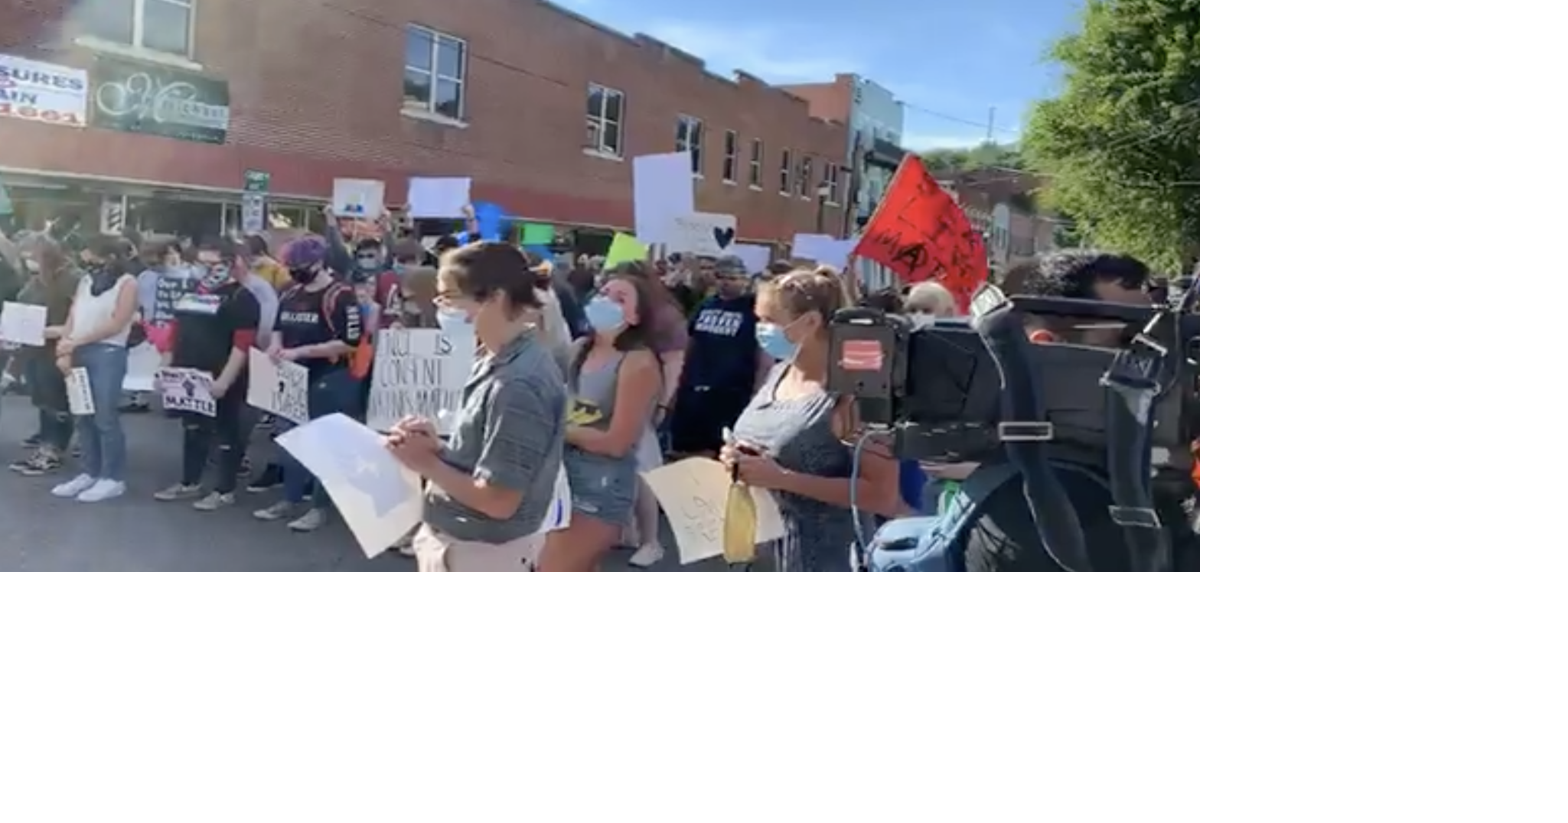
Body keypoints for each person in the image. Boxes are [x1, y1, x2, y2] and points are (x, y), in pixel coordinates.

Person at [956, 250, 1176, 572]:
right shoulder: (1049, 515)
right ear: (1049, 349)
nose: (1162, 359)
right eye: (1135, 339)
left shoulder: (1105, 475)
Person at [386, 242, 568, 573]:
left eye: (450, 297)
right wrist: (438, 449)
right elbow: (489, 458)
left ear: (495, 298)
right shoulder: (495, 358)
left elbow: (499, 500)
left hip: (484, 555)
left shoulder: (518, 382)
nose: (442, 308)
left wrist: (425, 462)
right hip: (465, 545)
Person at [720, 269, 902, 572]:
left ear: (811, 322)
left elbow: (882, 495)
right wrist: (738, 457)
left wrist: (782, 478)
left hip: (827, 558)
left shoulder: (859, 390)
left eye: (770, 320)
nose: (761, 329)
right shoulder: (779, 371)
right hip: (761, 554)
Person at [539, 272, 664, 572]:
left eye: (620, 299)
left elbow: (617, 442)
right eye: (604, 292)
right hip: (562, 476)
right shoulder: (580, 348)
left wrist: (560, 430)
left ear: (636, 317)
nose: (606, 301)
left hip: (600, 485)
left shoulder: (638, 362)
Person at [252, 235, 363, 533]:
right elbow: (278, 327)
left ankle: (319, 507)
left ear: (319, 263)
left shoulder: (341, 295)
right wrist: (275, 346)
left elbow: (350, 342)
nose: (295, 272)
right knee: (291, 441)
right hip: (291, 376)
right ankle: (289, 499)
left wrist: (301, 352)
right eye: (291, 267)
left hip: (328, 377)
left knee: (324, 446)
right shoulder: (290, 292)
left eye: (301, 267)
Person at [152, 238, 262, 511]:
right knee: (193, 429)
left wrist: (225, 380)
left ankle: (224, 490)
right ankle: (190, 482)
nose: (205, 269)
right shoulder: (190, 293)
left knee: (227, 433)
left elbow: (242, 345)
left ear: (229, 264)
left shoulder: (242, 298)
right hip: (189, 373)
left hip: (223, 374)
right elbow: (175, 333)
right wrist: (164, 368)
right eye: (201, 263)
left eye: (212, 264)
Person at [50, 235, 139, 503]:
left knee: (105, 416)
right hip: (79, 350)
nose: (87, 260)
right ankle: (89, 471)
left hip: (108, 352)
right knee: (83, 414)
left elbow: (117, 322)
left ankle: (112, 477)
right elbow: (73, 316)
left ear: (109, 256)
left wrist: (77, 341)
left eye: (92, 254)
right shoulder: (86, 281)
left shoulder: (127, 283)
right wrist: (65, 347)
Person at [7, 236, 78, 476]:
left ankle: (54, 449)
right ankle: (46, 445)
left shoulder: (72, 279)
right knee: (43, 400)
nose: (28, 261)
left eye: (31, 256)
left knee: (56, 400)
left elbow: (81, 317)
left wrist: (53, 331)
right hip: (34, 348)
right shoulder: (36, 281)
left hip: (57, 348)